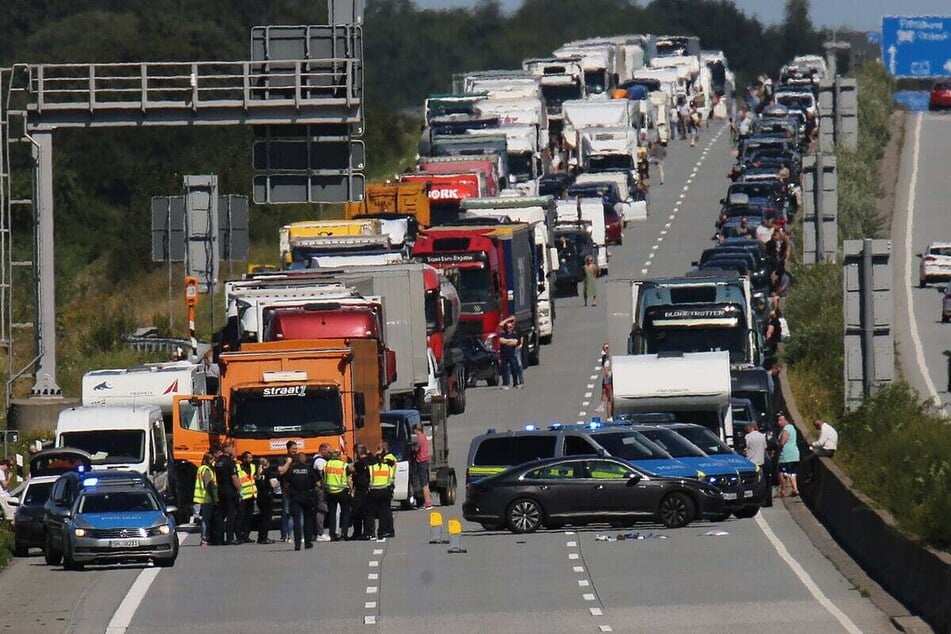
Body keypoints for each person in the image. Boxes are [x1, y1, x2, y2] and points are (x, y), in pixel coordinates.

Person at [283, 452, 317, 550]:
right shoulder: (309, 469)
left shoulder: (291, 470)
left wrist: (290, 494)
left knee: (296, 521)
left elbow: (286, 483)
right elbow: (315, 483)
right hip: (307, 497)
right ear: (304, 459)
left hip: (295, 497)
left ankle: (297, 544)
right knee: (308, 520)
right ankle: (307, 542)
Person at [214, 443, 242, 545]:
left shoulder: (218, 462)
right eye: (232, 448)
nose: (233, 450)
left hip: (220, 490)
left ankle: (219, 538)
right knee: (231, 513)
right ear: (228, 449)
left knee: (221, 514)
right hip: (229, 490)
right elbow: (234, 477)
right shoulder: (229, 461)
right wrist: (239, 489)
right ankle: (230, 537)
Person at [367, 444, 396, 541]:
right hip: (385, 491)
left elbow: (368, 479)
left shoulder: (371, 468)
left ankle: (372, 533)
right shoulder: (388, 467)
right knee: (384, 513)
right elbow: (391, 477)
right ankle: (381, 532)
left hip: (374, 491)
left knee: (371, 513)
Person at [324, 448, 352, 541]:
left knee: (332, 514)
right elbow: (348, 480)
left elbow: (323, 476)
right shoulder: (344, 465)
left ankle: (332, 534)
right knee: (345, 513)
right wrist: (351, 491)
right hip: (342, 490)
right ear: (339, 456)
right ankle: (344, 533)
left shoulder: (327, 464)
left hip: (330, 491)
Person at [744, 422, 772, 508]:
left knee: (751, 483)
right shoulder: (762, 436)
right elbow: (765, 448)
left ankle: (752, 500)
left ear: (749, 428)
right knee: (764, 482)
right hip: (761, 462)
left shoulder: (747, 437)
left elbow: (745, 450)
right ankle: (766, 500)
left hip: (751, 463)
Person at [276, 441, 299, 543]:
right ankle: (284, 534)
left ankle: (296, 534)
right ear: (288, 448)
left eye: (296, 448)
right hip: (286, 489)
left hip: (297, 489)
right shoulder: (282, 459)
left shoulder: (298, 459)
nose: (295, 450)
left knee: (298, 512)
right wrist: (288, 463)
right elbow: (281, 471)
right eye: (293, 448)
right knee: (286, 512)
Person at [193, 452, 217, 546]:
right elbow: (209, 485)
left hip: (202, 498)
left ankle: (205, 538)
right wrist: (213, 498)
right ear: (208, 460)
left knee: (205, 519)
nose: (213, 461)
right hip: (206, 498)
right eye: (212, 459)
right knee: (206, 520)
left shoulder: (201, 468)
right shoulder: (206, 470)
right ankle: (204, 539)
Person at [350, 444, 373, 540]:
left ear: (358, 453)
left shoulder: (360, 463)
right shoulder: (372, 460)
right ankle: (369, 532)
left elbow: (351, 470)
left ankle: (358, 533)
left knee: (358, 512)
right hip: (371, 488)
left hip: (361, 490)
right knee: (368, 513)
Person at [776, 412, 800, 498]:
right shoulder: (792, 428)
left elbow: (783, 442)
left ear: (785, 420)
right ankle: (795, 489)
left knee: (782, 473)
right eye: (778, 420)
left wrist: (777, 448)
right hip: (794, 454)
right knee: (792, 473)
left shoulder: (786, 429)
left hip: (786, 454)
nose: (778, 422)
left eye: (780, 420)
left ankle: (783, 491)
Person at [312, 443, 332, 542]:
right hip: (320, 490)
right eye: (328, 452)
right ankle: (320, 533)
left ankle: (315, 533)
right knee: (321, 510)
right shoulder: (320, 461)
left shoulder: (315, 459)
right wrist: (325, 487)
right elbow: (322, 475)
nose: (330, 454)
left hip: (316, 489)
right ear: (322, 450)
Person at [236, 451, 257, 543]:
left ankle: (246, 536)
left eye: (251, 458)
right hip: (242, 496)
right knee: (241, 516)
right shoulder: (237, 468)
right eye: (248, 458)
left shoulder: (253, 467)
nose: (250, 459)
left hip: (251, 495)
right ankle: (239, 536)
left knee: (249, 517)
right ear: (244, 459)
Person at [497, 317, 523, 390]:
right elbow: (501, 340)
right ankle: (505, 384)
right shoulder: (503, 333)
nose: (509, 328)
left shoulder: (514, 333)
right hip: (504, 354)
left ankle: (516, 383)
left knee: (514, 368)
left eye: (510, 327)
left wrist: (507, 341)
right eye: (507, 327)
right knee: (504, 369)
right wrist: (510, 341)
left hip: (512, 354)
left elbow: (515, 342)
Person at [412, 422, 433, 510]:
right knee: (426, 484)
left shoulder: (420, 438)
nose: (414, 432)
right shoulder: (424, 437)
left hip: (421, 462)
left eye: (414, 431)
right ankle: (428, 501)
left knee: (423, 484)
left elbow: (416, 449)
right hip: (425, 461)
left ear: (417, 430)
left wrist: (413, 449)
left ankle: (428, 503)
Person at [254, 457, 274, 544]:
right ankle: (264, 538)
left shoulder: (257, 474)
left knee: (262, 517)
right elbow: (273, 484)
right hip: (267, 496)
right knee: (267, 518)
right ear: (268, 463)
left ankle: (260, 537)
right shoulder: (268, 472)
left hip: (260, 496)